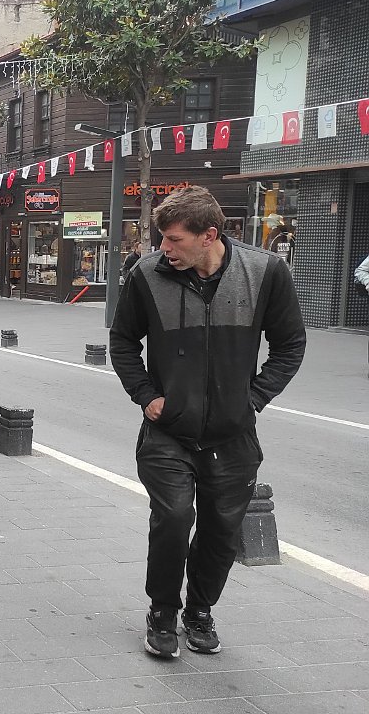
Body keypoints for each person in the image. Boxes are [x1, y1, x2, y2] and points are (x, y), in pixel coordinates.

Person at [110, 185, 306, 659]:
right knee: (174, 519)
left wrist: (253, 398)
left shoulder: (266, 272)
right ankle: (161, 611)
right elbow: (122, 343)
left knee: (222, 528)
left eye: (174, 239)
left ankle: (199, 609)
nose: (164, 248)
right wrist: (147, 397)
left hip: (233, 436)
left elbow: (290, 345)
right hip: (168, 432)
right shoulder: (146, 276)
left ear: (209, 235)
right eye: (162, 238)